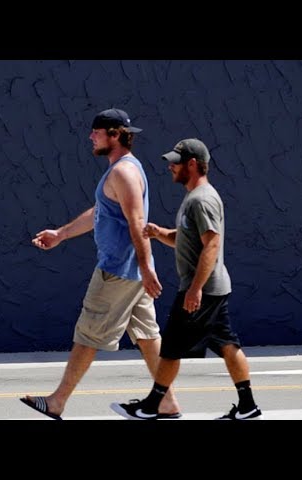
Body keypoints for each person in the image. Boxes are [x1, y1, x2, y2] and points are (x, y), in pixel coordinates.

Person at [19, 108, 181, 420]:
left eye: (97, 132)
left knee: (88, 334)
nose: (90, 136)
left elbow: (137, 223)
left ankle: (57, 402)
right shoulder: (121, 170)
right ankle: (167, 401)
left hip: (118, 271)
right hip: (131, 272)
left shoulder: (124, 172)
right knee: (148, 337)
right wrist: (61, 234)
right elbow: (101, 211)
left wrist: (147, 268)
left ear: (115, 134)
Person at [110, 138, 262, 420]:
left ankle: (152, 407)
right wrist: (160, 233)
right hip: (212, 288)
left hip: (202, 289)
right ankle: (248, 406)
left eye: (175, 162)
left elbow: (211, 244)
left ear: (192, 164)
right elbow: (187, 239)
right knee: (228, 345)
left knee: (170, 348)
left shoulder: (202, 200)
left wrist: (195, 289)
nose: (170, 166)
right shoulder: (195, 198)